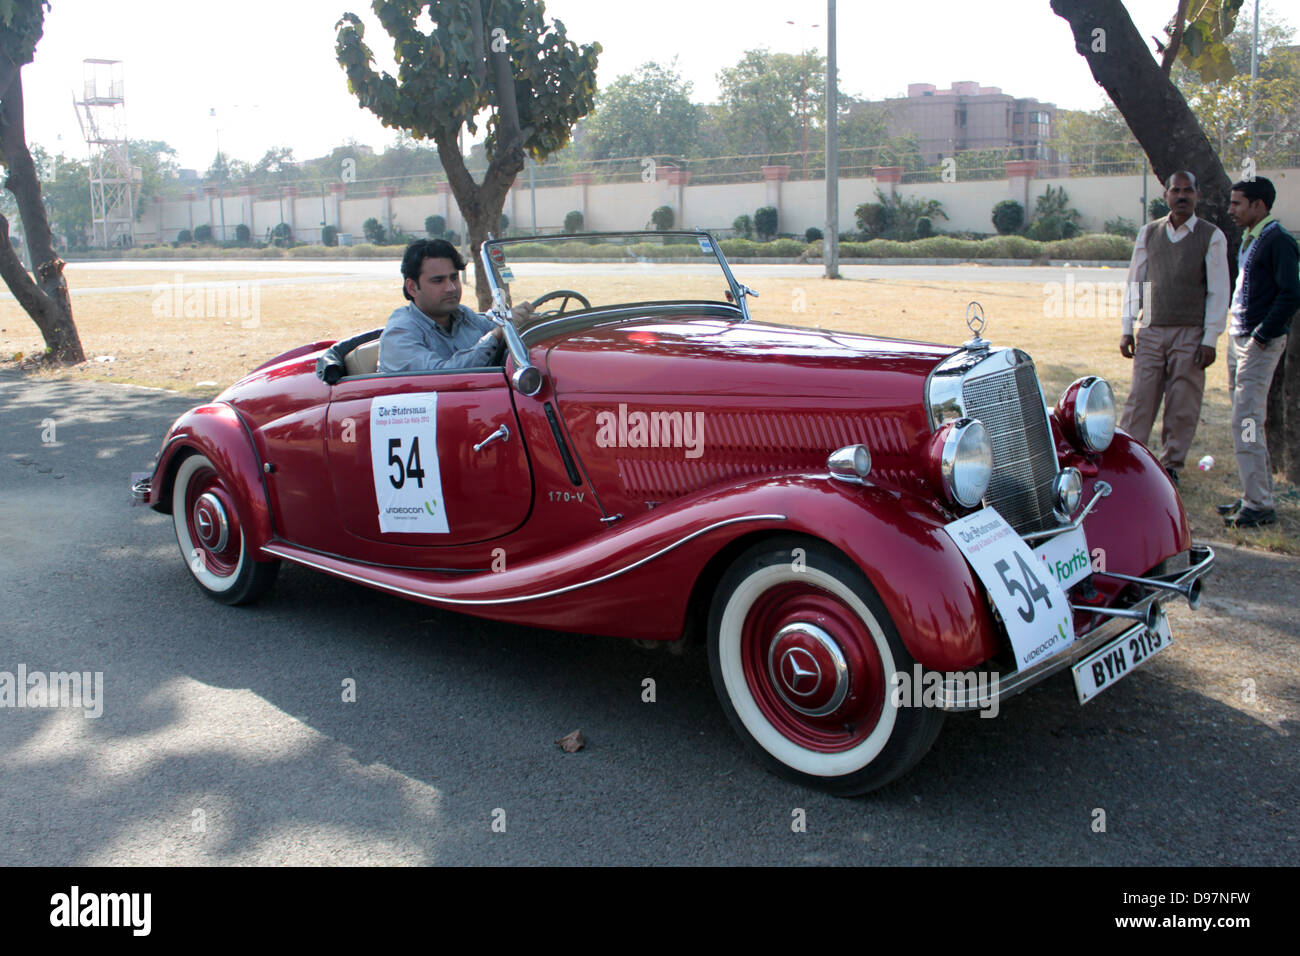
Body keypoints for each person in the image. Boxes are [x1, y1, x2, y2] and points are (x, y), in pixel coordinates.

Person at [1118, 170, 1229, 487]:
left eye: (1188, 191)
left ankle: (1171, 465)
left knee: (1183, 402)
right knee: (1141, 398)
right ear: (1165, 194)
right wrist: (1127, 326)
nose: (1182, 196)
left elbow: (1218, 291)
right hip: (1151, 328)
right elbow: (1135, 283)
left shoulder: (1211, 236)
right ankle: (1131, 458)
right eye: (1176, 190)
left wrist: (1210, 338)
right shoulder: (1149, 233)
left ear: (1197, 195)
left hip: (1191, 332)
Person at [1219, 176, 1299, 528]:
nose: (1230, 209)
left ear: (1258, 206)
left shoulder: (1278, 240)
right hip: (1240, 340)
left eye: (1237, 203)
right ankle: (1255, 492)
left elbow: (1291, 293)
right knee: (1248, 420)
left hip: (1256, 342)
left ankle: (1260, 504)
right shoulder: (1252, 239)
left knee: (1247, 421)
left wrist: (1263, 335)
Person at [377, 238, 534, 373]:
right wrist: (496, 335)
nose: (451, 288)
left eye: (454, 278)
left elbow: (495, 327)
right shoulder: (399, 333)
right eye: (438, 281)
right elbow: (443, 376)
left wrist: (524, 319)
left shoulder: (462, 315)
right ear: (412, 288)